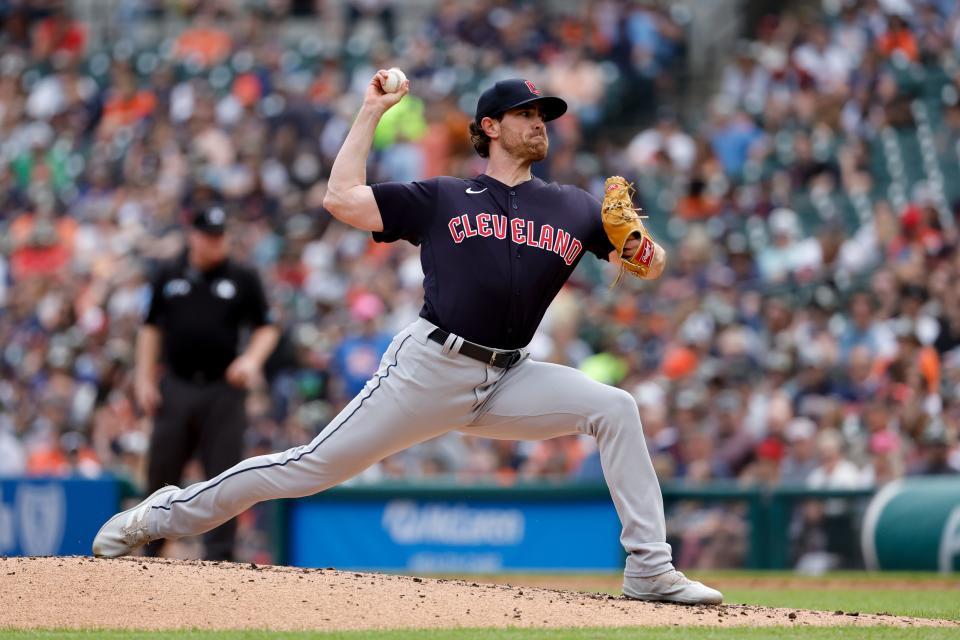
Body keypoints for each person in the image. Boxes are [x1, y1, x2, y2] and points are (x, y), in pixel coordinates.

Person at [93, 72, 722, 605]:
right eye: (524, 113)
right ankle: (157, 517)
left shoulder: (575, 206)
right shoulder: (444, 196)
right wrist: (371, 110)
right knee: (305, 468)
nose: (539, 123)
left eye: (544, 115)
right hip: (428, 368)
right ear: (490, 128)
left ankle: (648, 569)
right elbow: (341, 198)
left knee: (616, 406)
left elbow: (650, 264)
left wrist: (641, 244)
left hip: (510, 376)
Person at [133, 205, 279, 561]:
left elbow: (267, 326)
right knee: (162, 470)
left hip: (223, 389)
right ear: (193, 236)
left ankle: (220, 556)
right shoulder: (168, 275)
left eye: (221, 235)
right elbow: (151, 327)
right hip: (177, 384)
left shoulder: (242, 277)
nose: (217, 242)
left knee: (224, 475)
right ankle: (152, 552)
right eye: (210, 236)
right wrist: (143, 379)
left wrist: (251, 360)